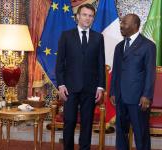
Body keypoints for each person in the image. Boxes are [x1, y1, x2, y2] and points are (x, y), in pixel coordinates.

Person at [55, 4, 105, 150]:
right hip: (69, 88)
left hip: (90, 88)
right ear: (77, 16)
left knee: (87, 122)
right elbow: (59, 63)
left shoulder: (98, 37)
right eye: (84, 15)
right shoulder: (66, 36)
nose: (87, 18)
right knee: (69, 121)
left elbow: (100, 63)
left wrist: (100, 87)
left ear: (93, 18)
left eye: (90, 16)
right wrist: (61, 84)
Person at [110, 14, 156, 150]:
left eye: (124, 23)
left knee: (140, 134)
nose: (121, 25)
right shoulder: (119, 46)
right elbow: (116, 72)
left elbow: (150, 73)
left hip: (138, 99)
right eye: (121, 22)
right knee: (121, 134)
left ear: (135, 26)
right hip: (120, 97)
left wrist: (147, 95)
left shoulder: (148, 46)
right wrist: (113, 92)